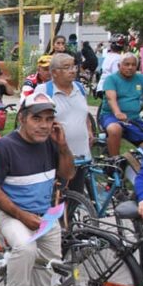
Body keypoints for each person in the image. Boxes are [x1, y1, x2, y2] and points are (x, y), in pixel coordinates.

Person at [0, 92, 74, 286]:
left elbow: (67, 174)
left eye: (49, 119)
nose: (44, 125)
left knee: (49, 271)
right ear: (22, 118)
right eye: (37, 118)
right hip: (11, 215)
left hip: (44, 217)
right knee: (25, 247)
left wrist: (63, 146)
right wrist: (22, 215)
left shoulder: (51, 143)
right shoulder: (5, 146)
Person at [35, 53, 92, 192]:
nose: (73, 70)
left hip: (81, 153)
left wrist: (89, 130)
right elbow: (36, 120)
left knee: (76, 196)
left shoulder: (80, 88)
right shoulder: (43, 91)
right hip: (56, 155)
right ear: (54, 72)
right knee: (56, 198)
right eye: (67, 67)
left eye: (74, 66)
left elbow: (84, 113)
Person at [100, 54, 143, 156]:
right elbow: (111, 98)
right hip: (111, 116)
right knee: (114, 129)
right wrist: (118, 113)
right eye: (127, 64)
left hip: (133, 119)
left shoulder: (142, 79)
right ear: (119, 66)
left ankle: (134, 163)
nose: (130, 67)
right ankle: (114, 161)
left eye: (133, 65)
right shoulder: (111, 79)